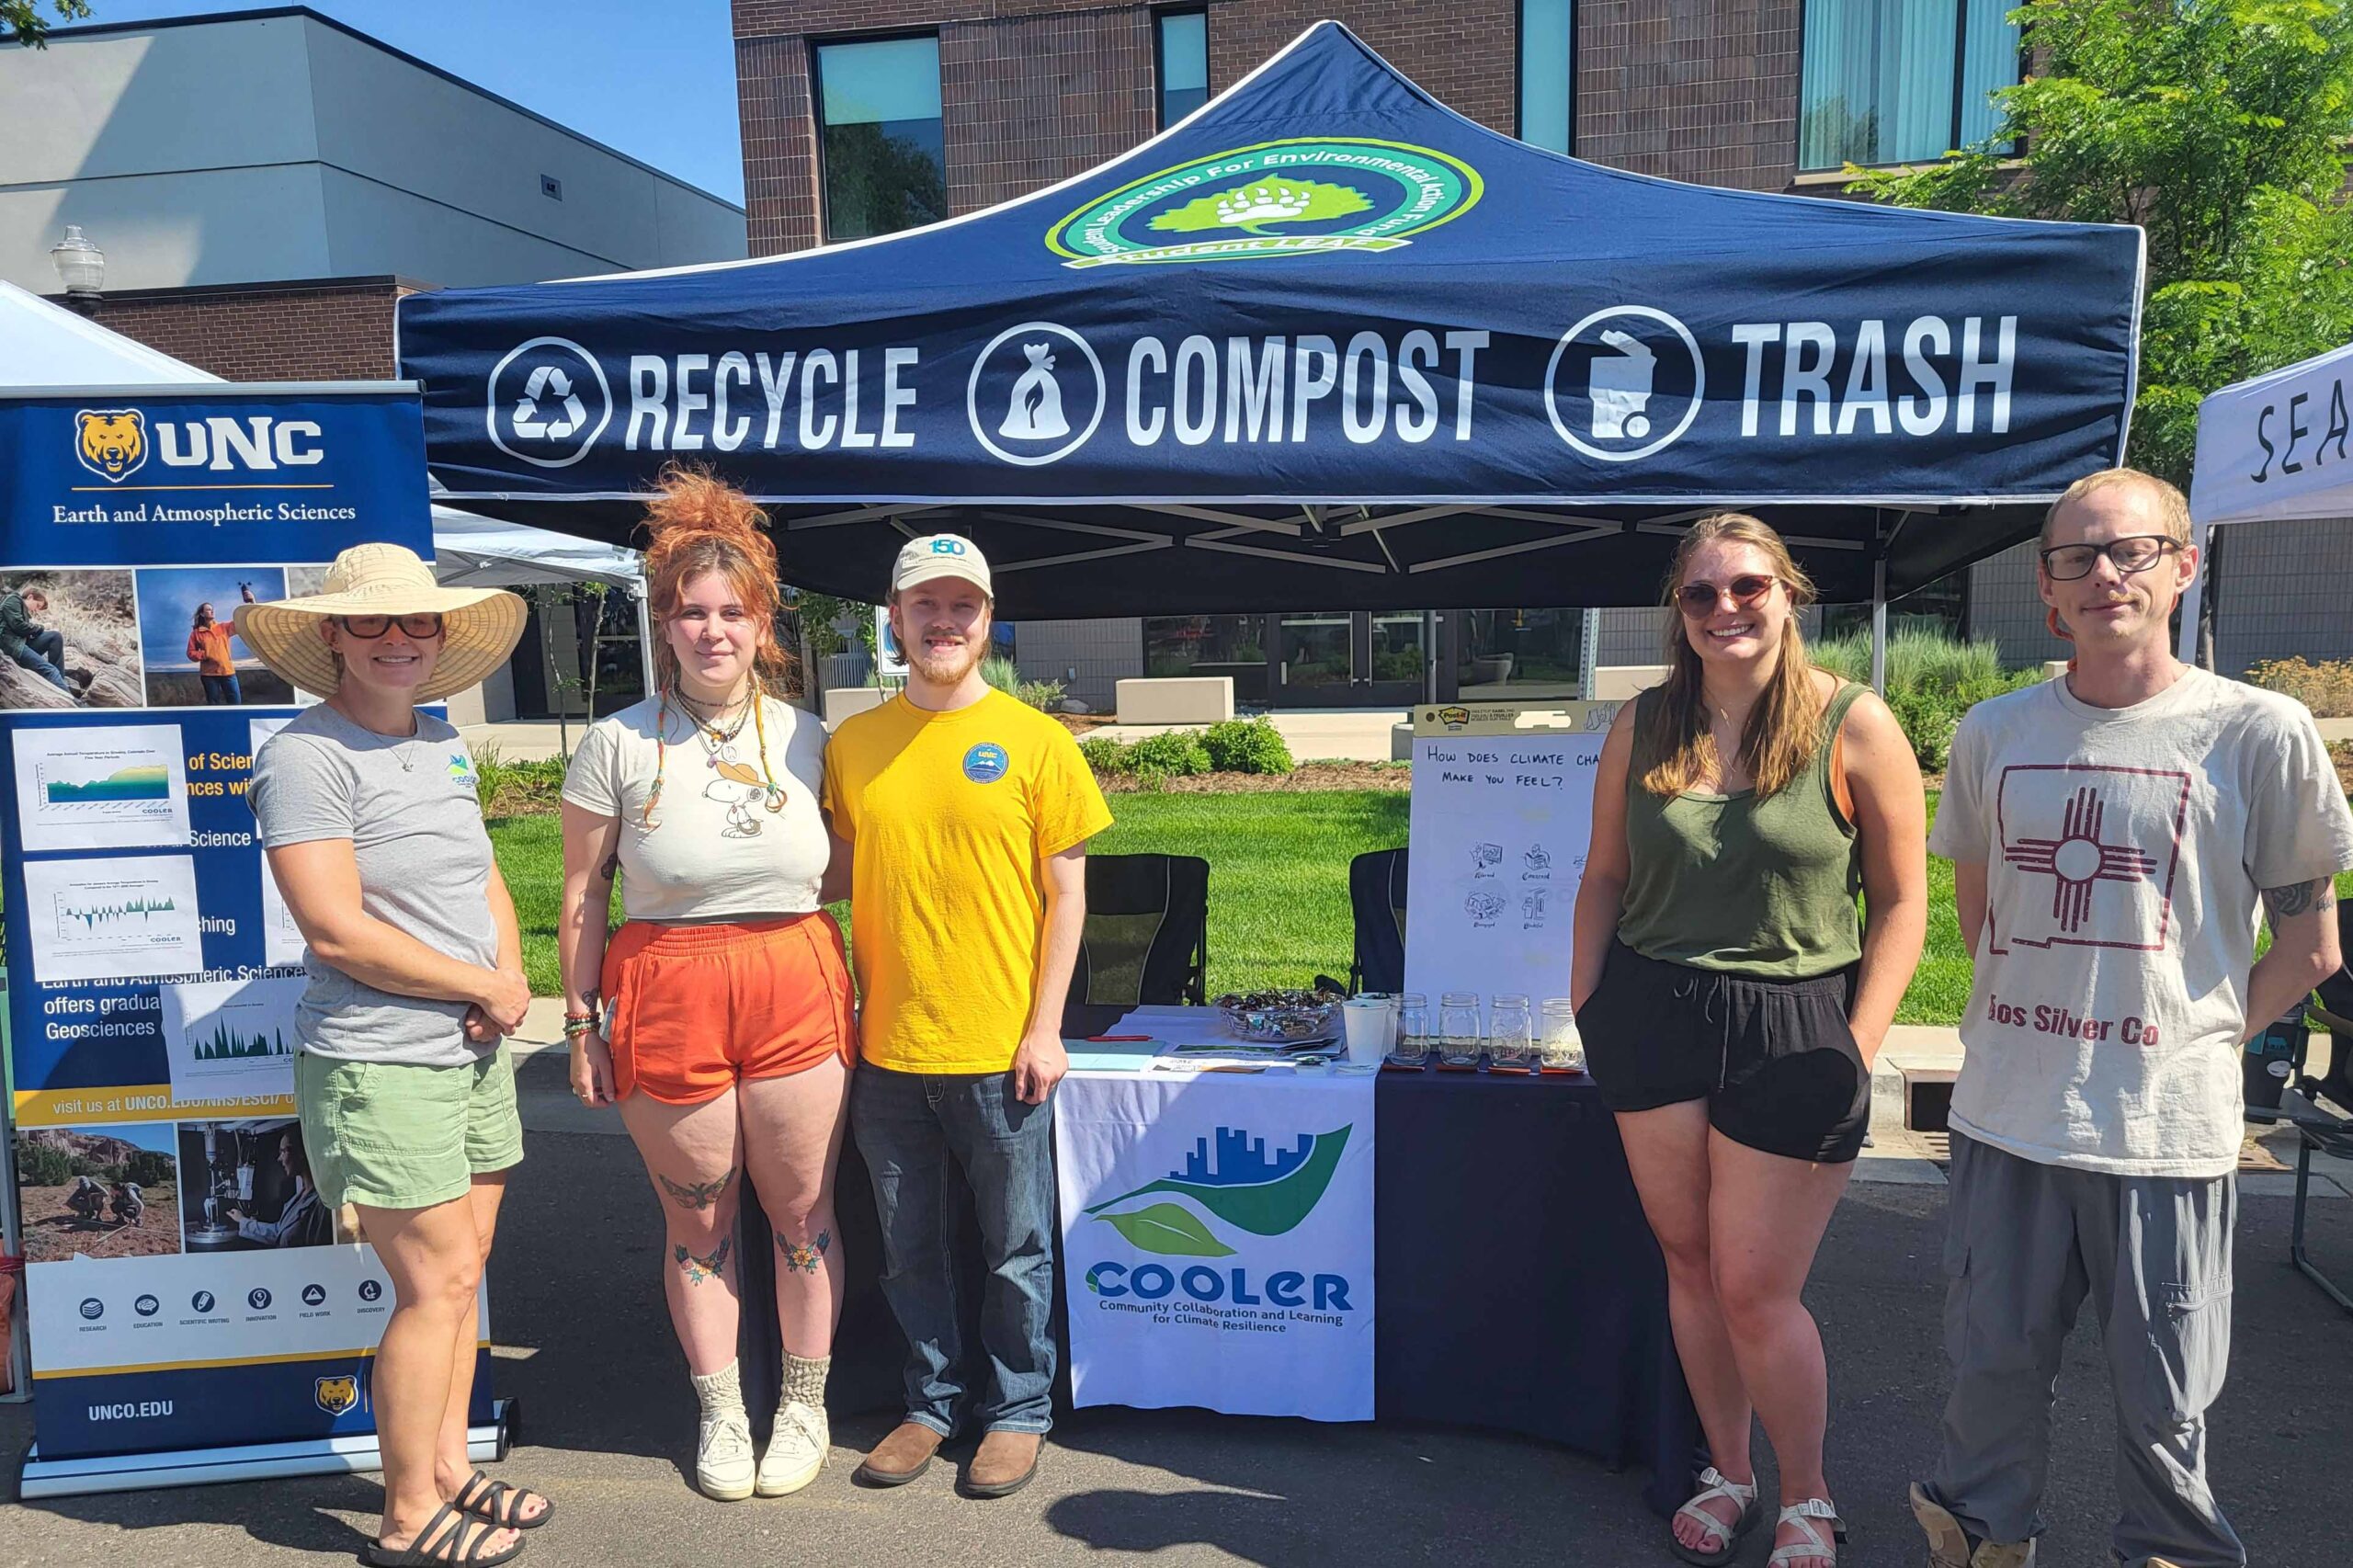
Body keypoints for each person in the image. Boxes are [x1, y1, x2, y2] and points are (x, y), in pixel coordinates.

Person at [1912, 469, 2353, 1568]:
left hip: (2164, 1131)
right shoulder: (1993, 730)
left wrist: (2192, 1031)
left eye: (2133, 550)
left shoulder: (2259, 731)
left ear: (2184, 564)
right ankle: (1976, 1548)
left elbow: (2309, 948)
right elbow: (1986, 919)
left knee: (2167, 1405)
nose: (2104, 573)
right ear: (2047, 587)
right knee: (1986, 1379)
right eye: (2077, 556)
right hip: (2007, 1115)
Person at [1572, 513, 1927, 1568]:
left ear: (1787, 595)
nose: (1725, 608)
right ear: (1676, 612)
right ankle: (1727, 1470)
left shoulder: (1853, 723)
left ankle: (1807, 1492)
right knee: (1689, 1261)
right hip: (1651, 1013)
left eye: (1746, 587)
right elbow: (1602, 875)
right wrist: (1589, 1001)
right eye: (1700, 593)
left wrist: (1856, 1044)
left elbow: (1903, 902)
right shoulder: (1644, 722)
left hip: (1795, 1020)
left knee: (1754, 1286)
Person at [242, 543, 551, 1566]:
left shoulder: (439, 740)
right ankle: (409, 1511)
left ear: (440, 636)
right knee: (437, 1281)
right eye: (370, 622)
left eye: (415, 622)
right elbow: (334, 931)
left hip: (468, 1045)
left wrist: (502, 979)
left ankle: (450, 1467)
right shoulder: (303, 754)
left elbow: (485, 879)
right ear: (330, 636)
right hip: (379, 1059)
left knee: (464, 1277)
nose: (396, 639)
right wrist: (478, 985)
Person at [558, 470, 853, 1502]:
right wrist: (581, 1021)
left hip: (794, 976)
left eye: (732, 611)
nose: (712, 631)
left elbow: (851, 870)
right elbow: (582, 894)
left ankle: (803, 1401)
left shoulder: (815, 737)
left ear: (762, 620)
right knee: (698, 1218)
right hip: (665, 981)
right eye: (691, 612)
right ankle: (722, 1406)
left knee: (803, 1209)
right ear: (665, 622)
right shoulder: (617, 739)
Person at [827, 534, 1110, 1501]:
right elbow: (828, 874)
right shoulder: (853, 743)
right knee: (909, 1250)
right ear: (895, 618)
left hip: (1000, 1048)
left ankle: (1019, 1407)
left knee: (1014, 1249)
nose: (943, 623)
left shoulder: (1038, 740)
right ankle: (930, 1402)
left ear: (988, 619)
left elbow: (1066, 897)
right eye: (924, 606)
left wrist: (1046, 1026)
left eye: (963, 606)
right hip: (887, 1049)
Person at [228, 1126, 334, 1247]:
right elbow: (278, 1231)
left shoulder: (322, 1203)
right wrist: (242, 1221)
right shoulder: (300, 1197)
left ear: (302, 1152)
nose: (279, 1159)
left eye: (283, 1151)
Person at [188, 585, 257, 704]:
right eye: (208, 609)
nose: (212, 610)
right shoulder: (196, 633)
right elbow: (190, 653)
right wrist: (204, 654)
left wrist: (252, 602)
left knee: (236, 704)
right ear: (202, 614)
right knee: (214, 706)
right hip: (209, 675)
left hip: (228, 672)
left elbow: (244, 622)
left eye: (212, 608)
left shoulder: (223, 628)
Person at [2, 584, 70, 691]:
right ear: (30, 597)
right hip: (12, 647)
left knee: (55, 636)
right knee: (51, 671)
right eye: (37, 606)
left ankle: (60, 682)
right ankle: (72, 701)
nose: (36, 610)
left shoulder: (21, 609)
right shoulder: (13, 600)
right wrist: (40, 627)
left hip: (21, 644)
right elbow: (19, 626)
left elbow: (25, 631)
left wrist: (37, 630)